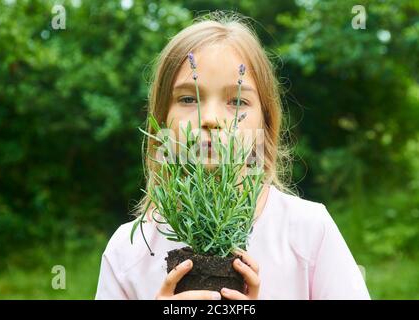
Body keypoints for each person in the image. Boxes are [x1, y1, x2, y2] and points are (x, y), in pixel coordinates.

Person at [95, 13, 370, 300]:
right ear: (161, 121)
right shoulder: (129, 253)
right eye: (188, 99)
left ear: (265, 122)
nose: (211, 119)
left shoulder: (309, 232)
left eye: (237, 101)